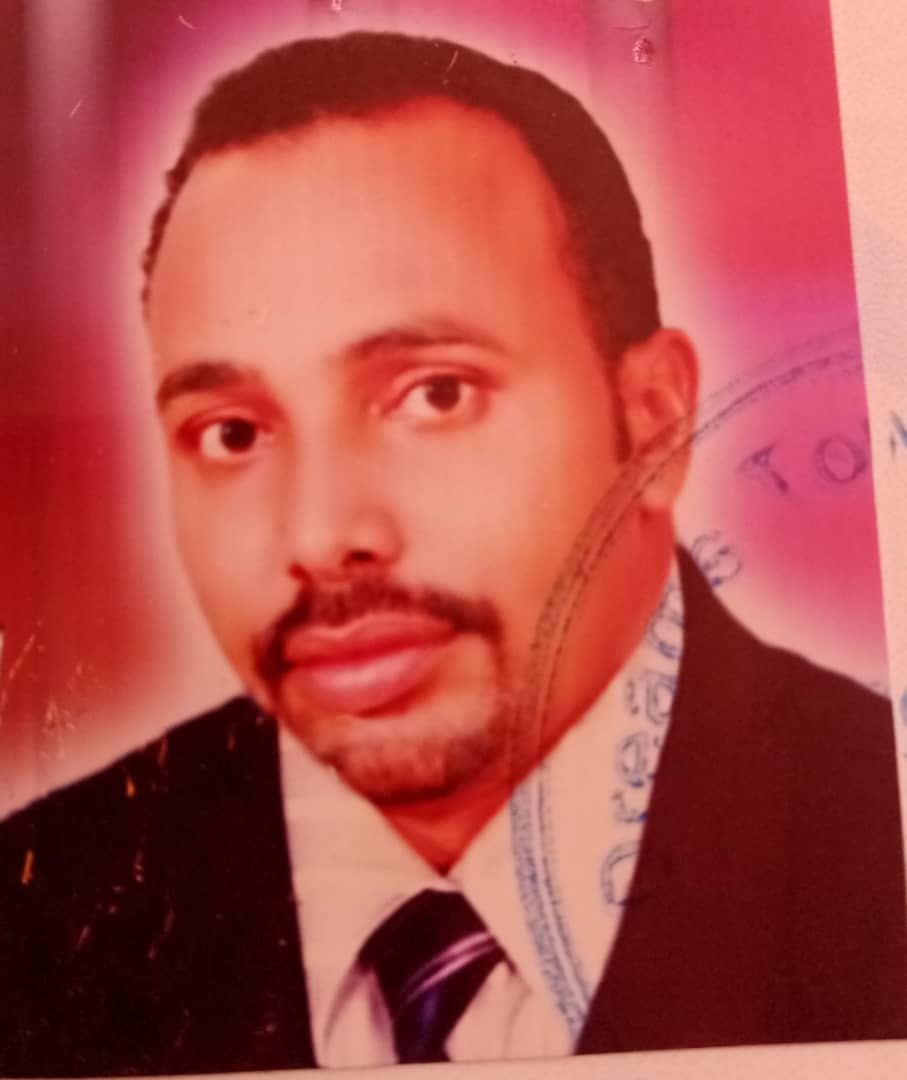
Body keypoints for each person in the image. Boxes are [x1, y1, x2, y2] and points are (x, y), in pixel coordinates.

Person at [0, 31, 904, 1075]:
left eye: (434, 395)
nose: (319, 536)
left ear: (652, 423)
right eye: (233, 433)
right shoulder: (37, 924)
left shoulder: (876, 853)